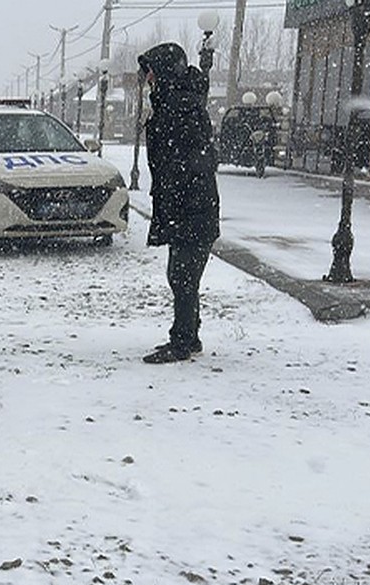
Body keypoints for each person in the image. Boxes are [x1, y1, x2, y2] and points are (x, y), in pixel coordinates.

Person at [137, 42, 220, 364]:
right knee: (182, 275)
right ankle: (188, 334)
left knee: (183, 277)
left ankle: (183, 341)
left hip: (191, 206)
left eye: (151, 72)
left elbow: (187, 160)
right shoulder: (177, 101)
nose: (148, 79)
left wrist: (176, 193)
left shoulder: (179, 105)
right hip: (187, 204)